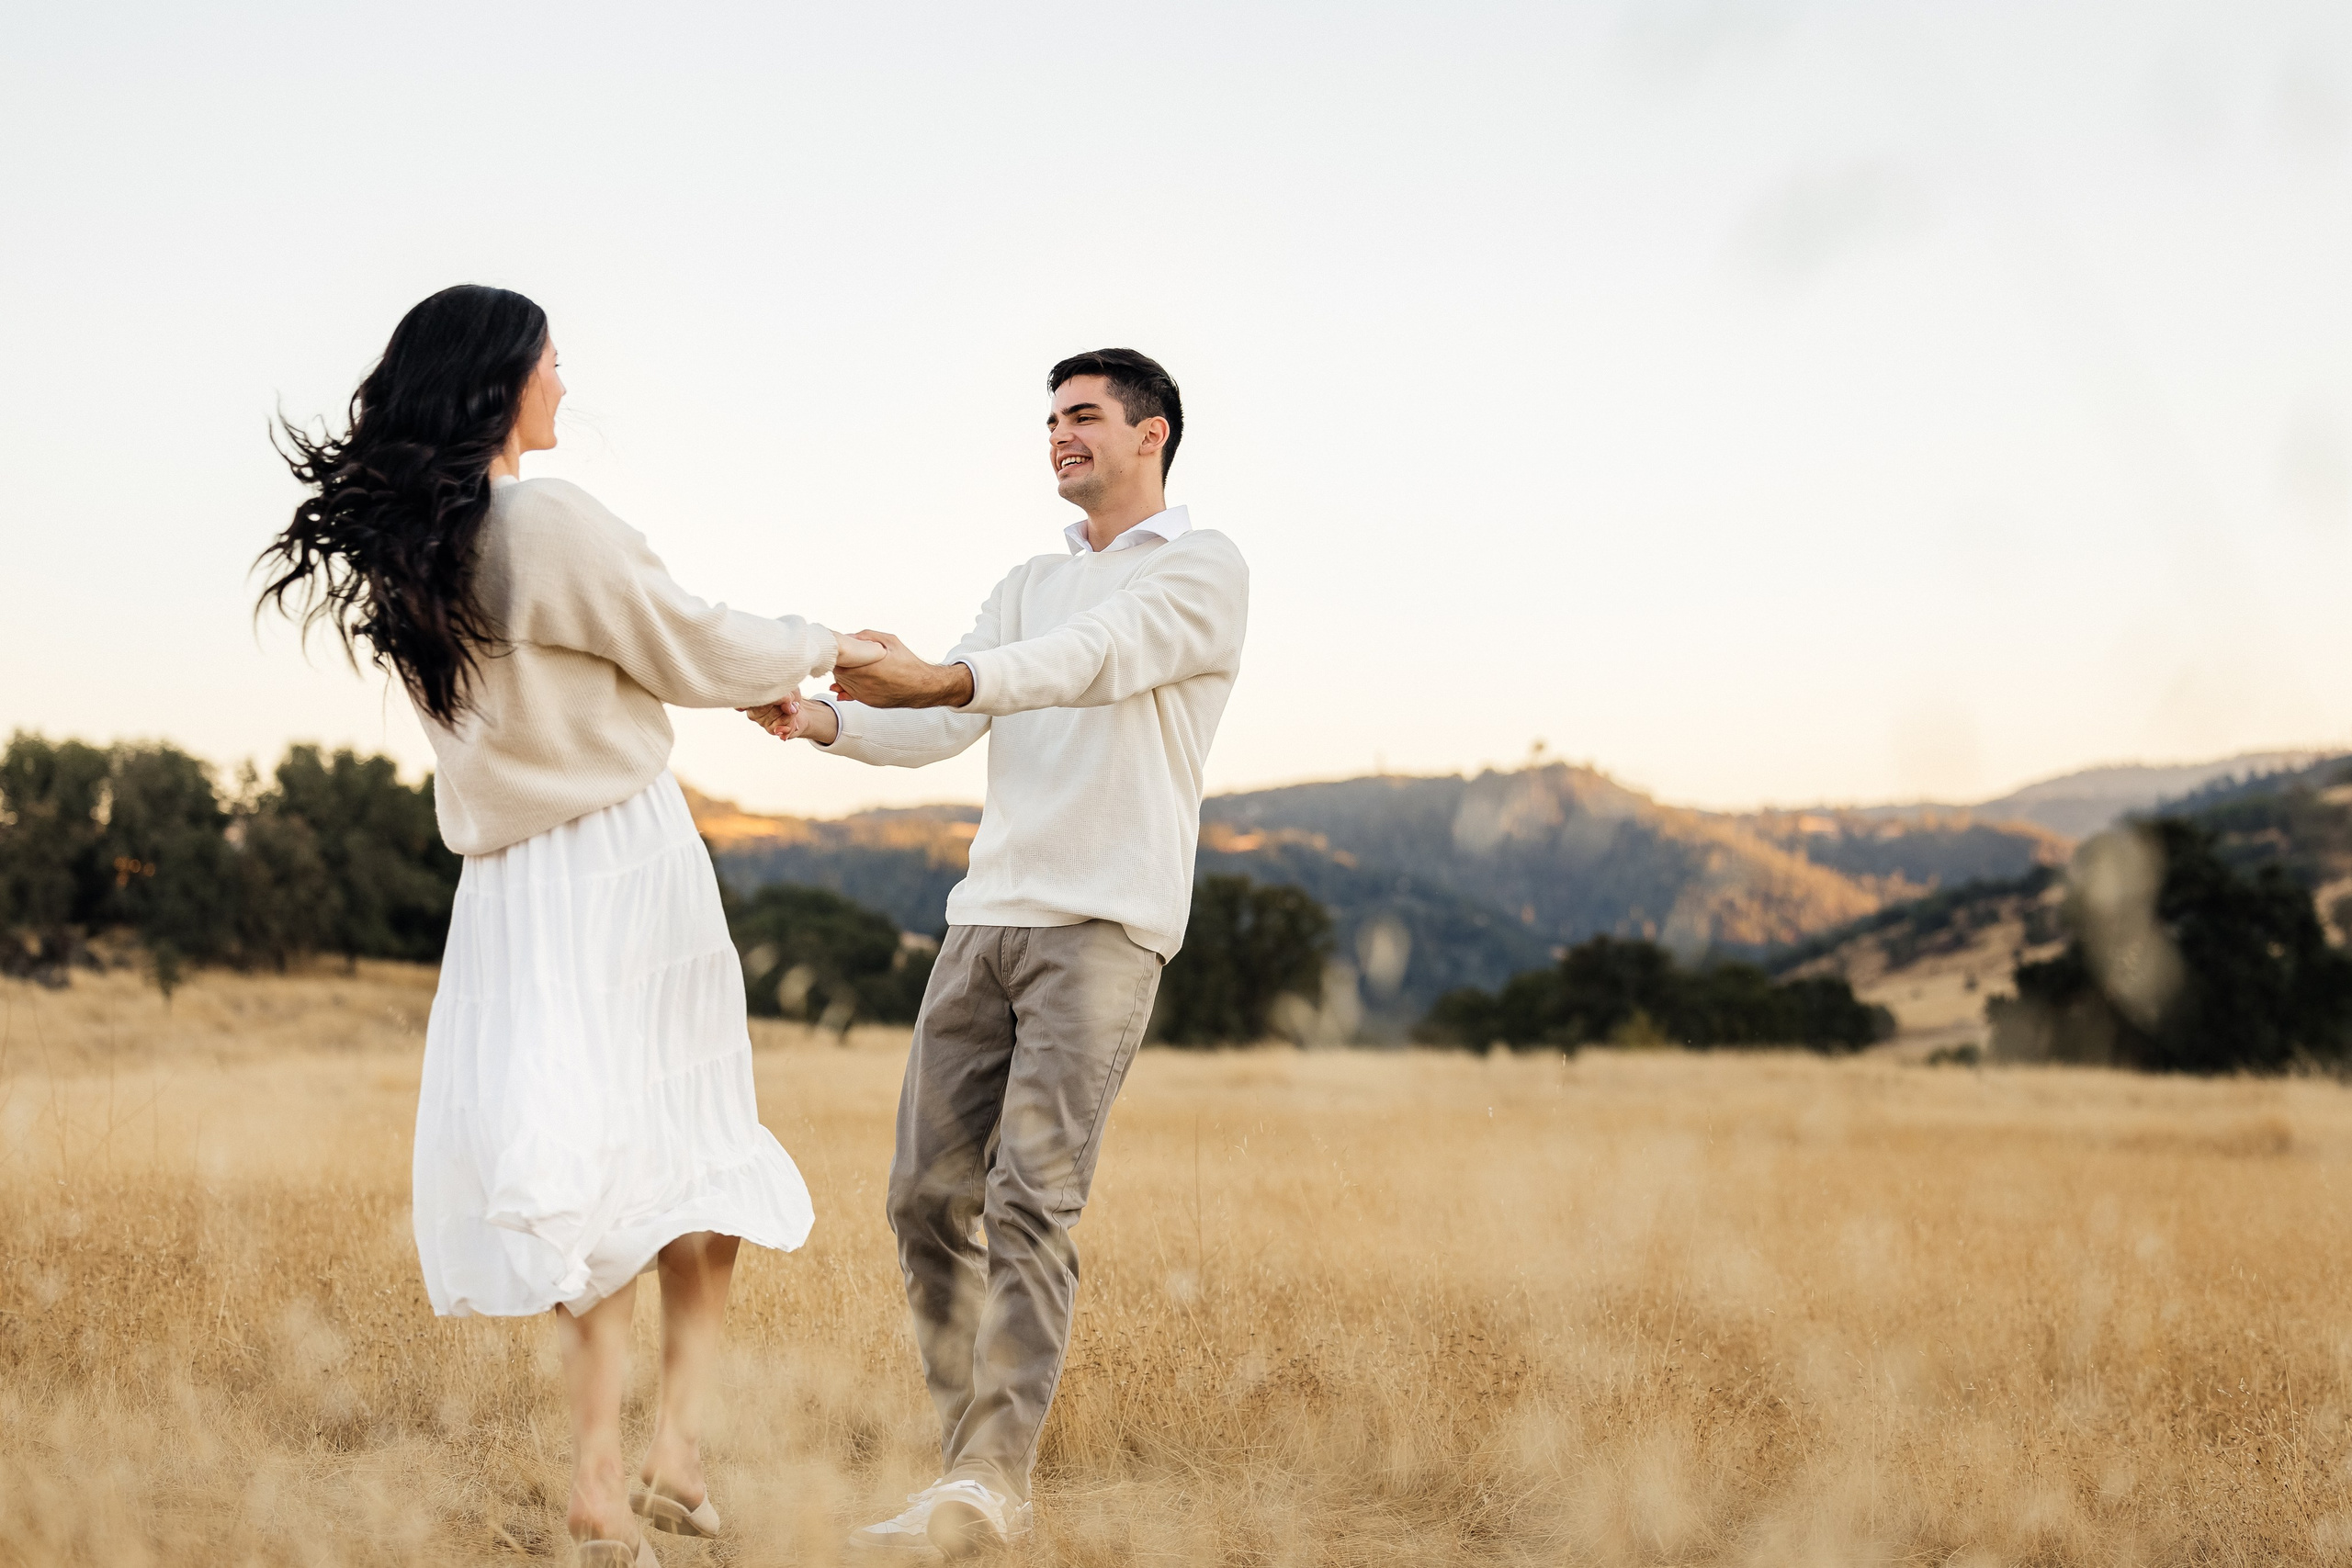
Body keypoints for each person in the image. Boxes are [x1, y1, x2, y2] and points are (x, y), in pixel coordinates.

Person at [257, 284, 883, 1567]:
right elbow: (692, 643)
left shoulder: (413, 551)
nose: (564, 378)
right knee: (697, 1142)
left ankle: (612, 1483)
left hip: (509, 898)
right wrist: (824, 646)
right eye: (551, 356)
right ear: (499, 378)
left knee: (585, 1172)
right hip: (623, 865)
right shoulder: (547, 521)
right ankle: (676, 1454)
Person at [750, 348, 1250, 1557]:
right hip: (985, 921)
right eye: (1050, 421)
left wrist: (944, 671)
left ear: (1154, 432)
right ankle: (962, 1472)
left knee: (1030, 1201)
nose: (1059, 437)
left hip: (1102, 929)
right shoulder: (1029, 579)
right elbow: (954, 717)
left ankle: (989, 1483)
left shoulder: (1203, 570)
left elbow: (1085, 665)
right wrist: (826, 719)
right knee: (923, 1197)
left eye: (1082, 416)